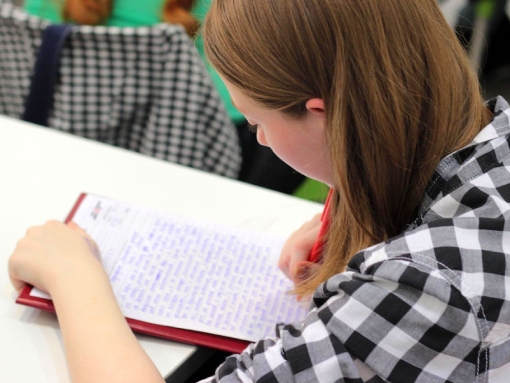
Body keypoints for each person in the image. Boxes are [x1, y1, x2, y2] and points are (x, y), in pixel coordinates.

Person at [8, 0, 510, 381]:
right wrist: (355, 210)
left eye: (255, 122)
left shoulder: (422, 291)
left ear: (323, 114)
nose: (261, 139)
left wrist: (75, 279)